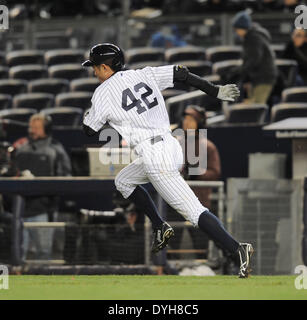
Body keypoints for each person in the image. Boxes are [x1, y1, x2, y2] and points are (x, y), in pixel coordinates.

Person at [82, 43, 253, 278]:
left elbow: (89, 130)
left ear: (104, 66)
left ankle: (236, 249)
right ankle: (160, 226)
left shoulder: (102, 93)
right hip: (171, 144)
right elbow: (181, 73)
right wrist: (214, 90)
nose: (93, 72)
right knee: (123, 181)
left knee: (194, 212)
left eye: (94, 67)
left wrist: (91, 113)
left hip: (155, 157)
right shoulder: (144, 73)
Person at [13, 113, 72, 261]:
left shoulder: (56, 150)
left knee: (44, 253)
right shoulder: (21, 150)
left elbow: (65, 177)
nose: (32, 130)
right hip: (20, 210)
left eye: (37, 128)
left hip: (44, 210)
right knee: (18, 253)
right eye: (31, 127)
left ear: (46, 128)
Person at [232, 11, 277, 104]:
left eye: (236, 29)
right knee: (252, 105)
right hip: (259, 77)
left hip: (263, 77)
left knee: (256, 107)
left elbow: (254, 59)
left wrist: (239, 71)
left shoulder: (253, 38)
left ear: (242, 27)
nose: (236, 32)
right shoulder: (253, 36)